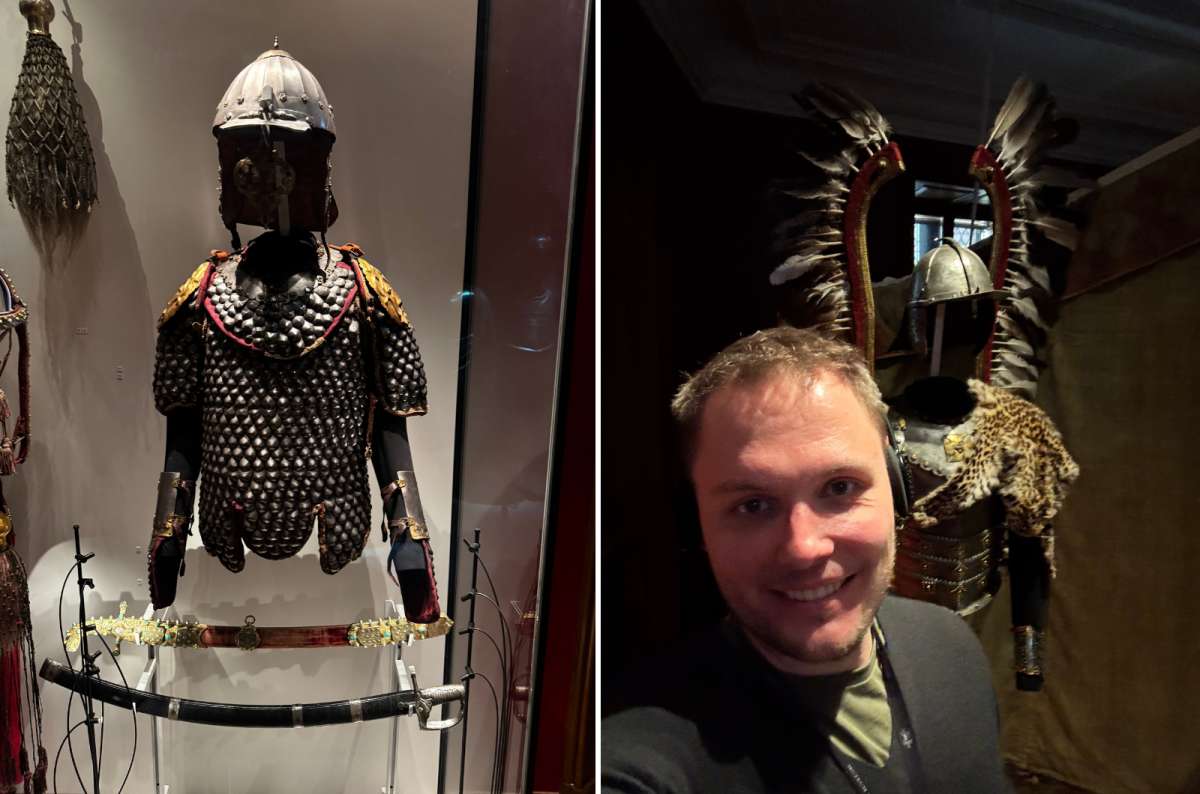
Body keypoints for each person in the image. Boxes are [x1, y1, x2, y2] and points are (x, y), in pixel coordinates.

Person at [602, 326, 1010, 793]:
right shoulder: (642, 757)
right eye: (753, 505)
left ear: (897, 486)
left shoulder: (951, 645)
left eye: (840, 487)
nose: (804, 547)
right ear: (697, 525)